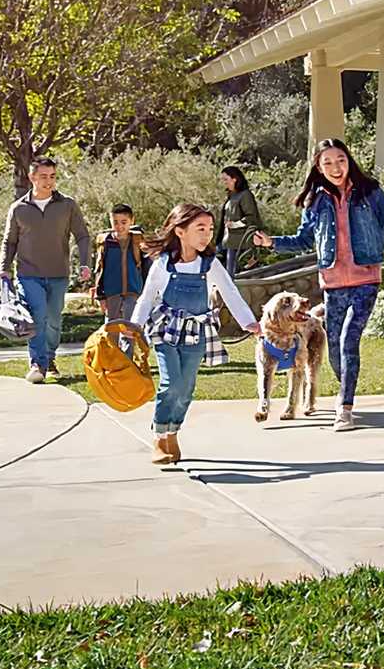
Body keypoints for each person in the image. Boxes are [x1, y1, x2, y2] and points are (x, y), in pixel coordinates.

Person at [253, 138, 384, 432]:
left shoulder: (370, 192)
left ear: (348, 160)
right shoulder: (315, 201)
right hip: (333, 284)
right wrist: (271, 243)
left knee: (349, 341)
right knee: (335, 353)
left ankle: (345, 408)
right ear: (318, 167)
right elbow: (304, 240)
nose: (335, 167)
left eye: (340, 160)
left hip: (366, 280)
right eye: (327, 162)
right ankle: (346, 386)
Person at [131, 203, 260, 464]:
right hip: (166, 330)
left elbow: (230, 292)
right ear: (180, 231)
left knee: (186, 388)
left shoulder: (209, 264)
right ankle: (159, 436)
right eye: (200, 228)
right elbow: (147, 298)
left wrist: (249, 322)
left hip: (196, 332)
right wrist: (133, 328)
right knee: (171, 383)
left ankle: (173, 432)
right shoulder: (163, 264)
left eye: (210, 229)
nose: (207, 234)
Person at [0, 158, 92, 383]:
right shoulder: (18, 208)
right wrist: (3, 268)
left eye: (52, 176)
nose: (48, 181)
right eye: (43, 176)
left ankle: (49, 358)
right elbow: (9, 242)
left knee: (53, 319)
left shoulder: (67, 205)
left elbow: (82, 235)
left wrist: (85, 263)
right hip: (28, 274)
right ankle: (37, 364)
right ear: (32, 177)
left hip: (59, 273)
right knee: (37, 316)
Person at [92, 204, 149, 320]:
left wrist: (146, 295)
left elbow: (147, 268)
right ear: (110, 221)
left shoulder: (138, 241)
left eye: (124, 222)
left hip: (134, 294)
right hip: (111, 294)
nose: (119, 226)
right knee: (112, 328)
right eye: (115, 222)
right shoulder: (106, 243)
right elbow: (99, 270)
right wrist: (100, 296)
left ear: (132, 221)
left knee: (133, 327)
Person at [217, 166, 263, 275]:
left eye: (226, 179)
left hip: (241, 244)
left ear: (235, 179)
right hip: (228, 243)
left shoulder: (245, 195)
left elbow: (251, 217)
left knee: (234, 276)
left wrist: (235, 224)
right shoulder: (231, 196)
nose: (224, 182)